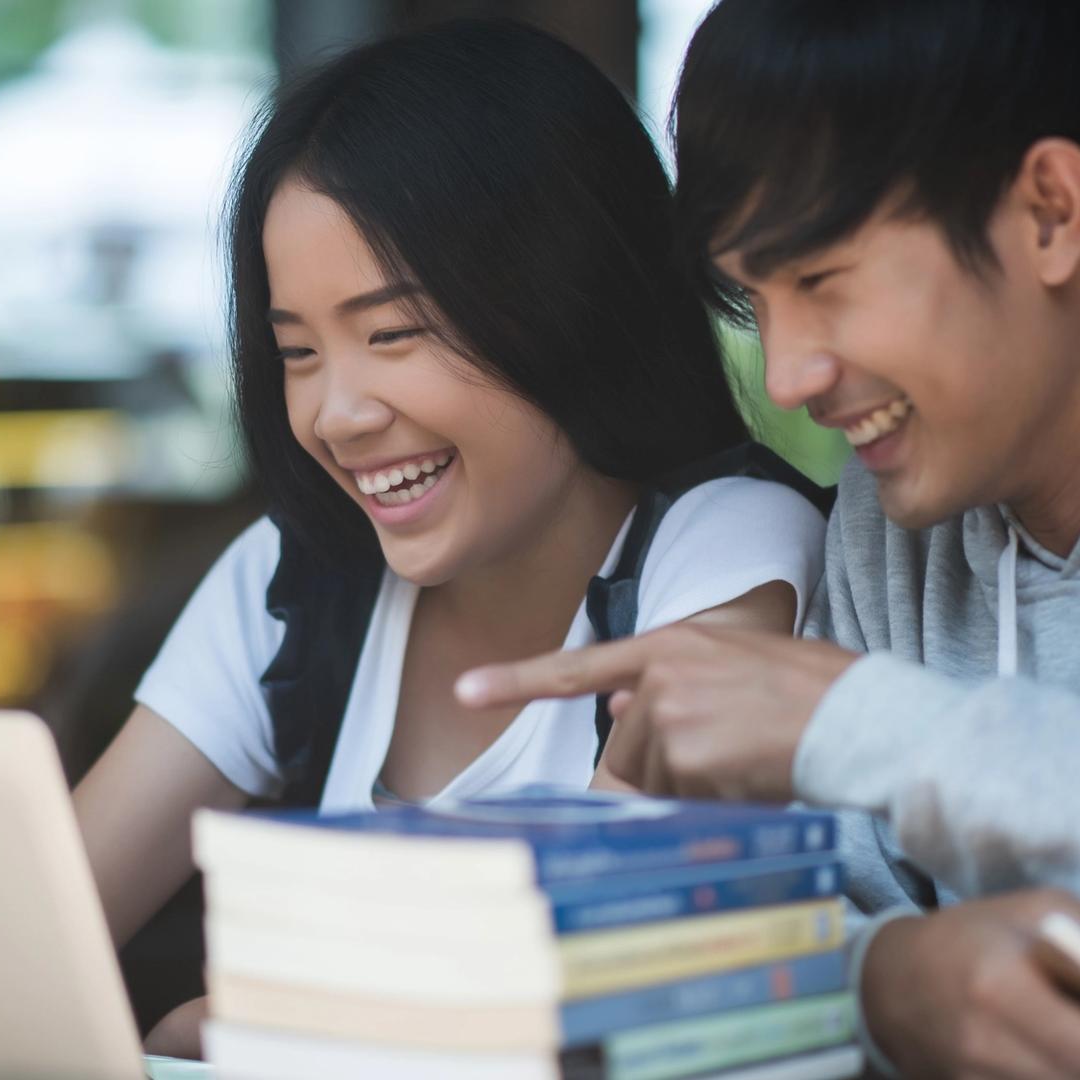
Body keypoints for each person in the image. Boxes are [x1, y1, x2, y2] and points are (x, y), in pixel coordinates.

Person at [456, 1, 1080, 1076]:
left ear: (1051, 212)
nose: (786, 378)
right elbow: (795, 949)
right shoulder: (896, 521)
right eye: (753, 300)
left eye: (822, 280)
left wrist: (883, 729)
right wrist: (893, 984)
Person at [71, 18, 829, 1059]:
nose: (337, 413)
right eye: (296, 351)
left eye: (392, 333)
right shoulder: (291, 578)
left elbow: (599, 963)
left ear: (568, 305)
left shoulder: (726, 545)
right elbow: (42, 927)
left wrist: (280, 1017)